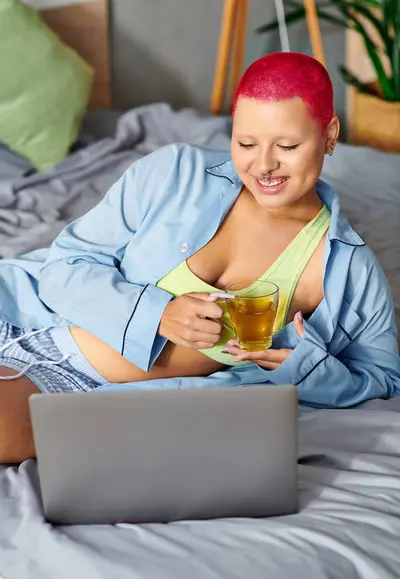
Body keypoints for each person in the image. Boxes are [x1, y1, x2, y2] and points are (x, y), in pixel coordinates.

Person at [0, 52, 399, 463]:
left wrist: (302, 363)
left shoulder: (347, 269)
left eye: (287, 145)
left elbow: (383, 379)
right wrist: (159, 315)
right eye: (246, 143)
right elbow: (64, 266)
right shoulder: (174, 173)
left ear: (330, 135)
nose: (263, 165)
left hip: (80, 392)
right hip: (24, 314)